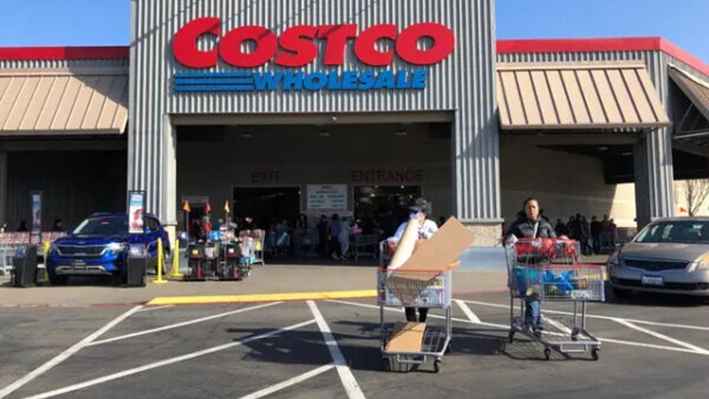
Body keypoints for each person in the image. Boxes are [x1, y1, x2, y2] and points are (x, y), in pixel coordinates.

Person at [504, 197, 567, 336]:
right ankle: (532, 323)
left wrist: (561, 240)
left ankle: (534, 323)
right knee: (533, 293)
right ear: (524, 210)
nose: (531, 209)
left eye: (534, 207)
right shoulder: (518, 225)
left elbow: (554, 240)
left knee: (535, 294)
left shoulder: (545, 224)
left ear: (538, 209)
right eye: (528, 207)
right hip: (524, 266)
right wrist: (511, 241)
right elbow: (507, 240)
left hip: (542, 265)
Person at [390, 198, 439, 323]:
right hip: (408, 266)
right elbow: (396, 240)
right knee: (408, 298)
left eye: (417, 212)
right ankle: (411, 323)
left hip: (425, 266)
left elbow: (438, 241)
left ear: (424, 213)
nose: (415, 215)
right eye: (412, 212)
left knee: (424, 296)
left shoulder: (430, 225)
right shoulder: (405, 226)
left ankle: (422, 320)